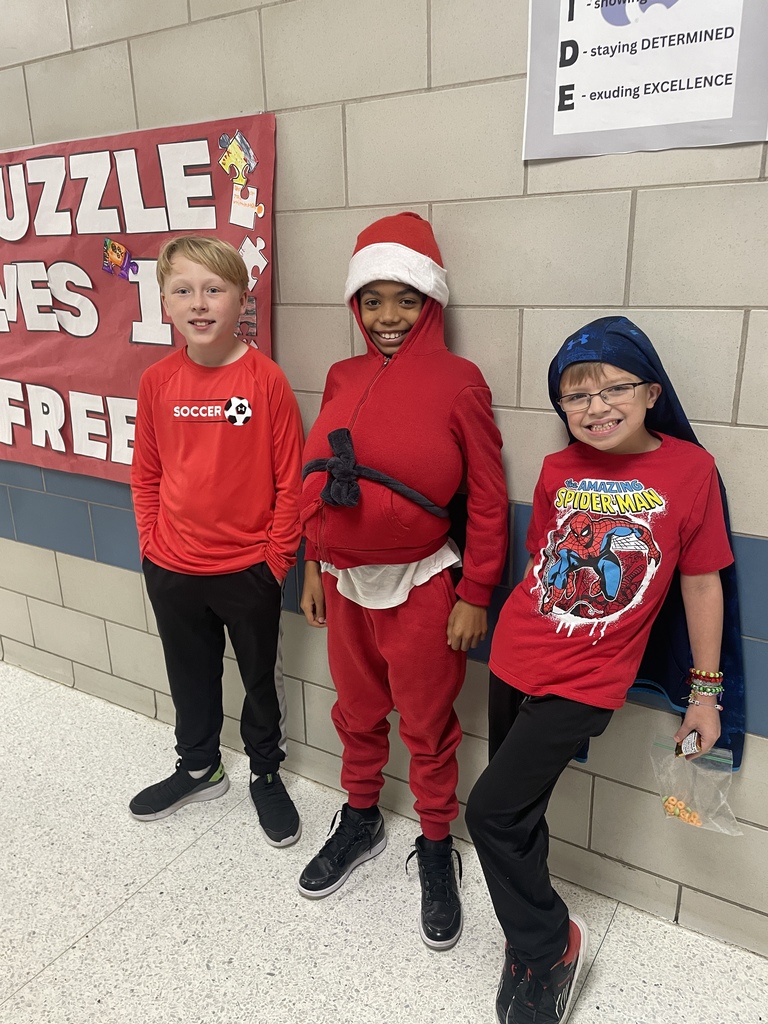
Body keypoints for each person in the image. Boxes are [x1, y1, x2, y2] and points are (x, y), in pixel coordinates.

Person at [466, 316, 737, 1024]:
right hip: (516, 652)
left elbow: (703, 583)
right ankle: (529, 943)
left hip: (587, 680)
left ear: (651, 392)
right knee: (516, 813)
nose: (595, 406)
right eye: (575, 395)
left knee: (488, 814)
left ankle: (551, 942)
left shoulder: (689, 469)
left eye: (614, 387)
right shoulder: (561, 467)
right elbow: (543, 563)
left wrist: (705, 697)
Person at [298, 212, 509, 950]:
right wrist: (315, 565)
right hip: (347, 585)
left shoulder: (460, 382)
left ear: (432, 303)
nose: (388, 317)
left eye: (406, 299)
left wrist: (477, 591)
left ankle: (436, 844)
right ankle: (360, 819)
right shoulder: (341, 375)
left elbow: (486, 495)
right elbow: (321, 481)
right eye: (373, 300)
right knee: (356, 712)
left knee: (426, 725)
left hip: (424, 586)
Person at [129, 235, 304, 848]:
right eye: (183, 291)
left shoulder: (265, 381)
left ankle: (264, 769)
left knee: (259, 679)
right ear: (165, 303)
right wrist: (151, 544)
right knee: (189, 673)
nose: (199, 304)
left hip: (247, 570)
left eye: (213, 289)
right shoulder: (156, 381)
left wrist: (275, 562)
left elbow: (291, 482)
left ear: (239, 300)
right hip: (171, 565)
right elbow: (147, 472)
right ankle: (200, 766)